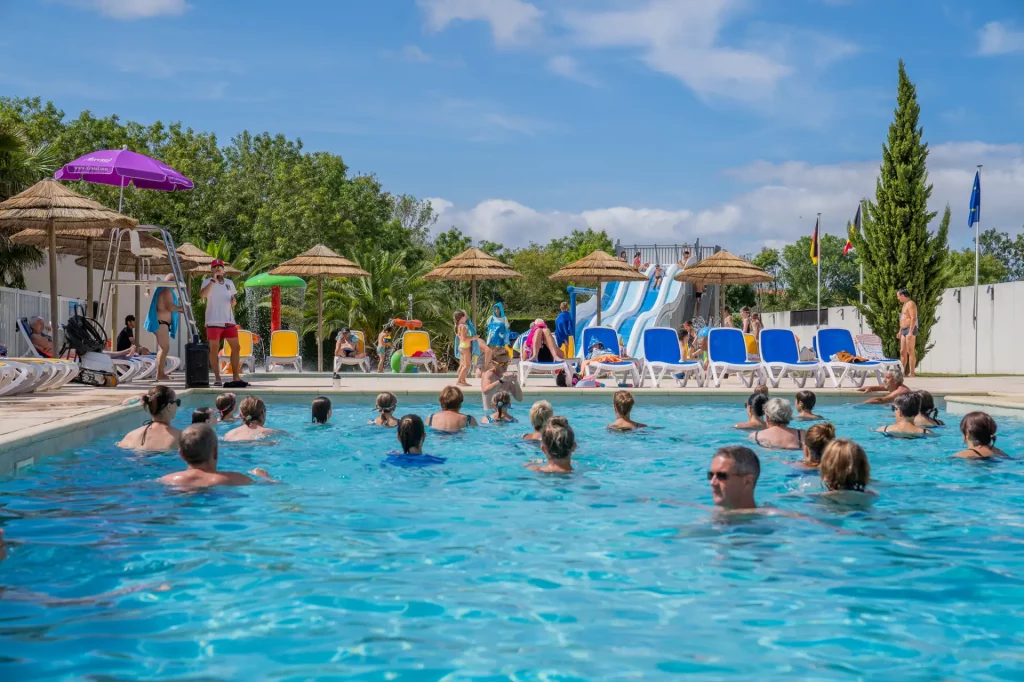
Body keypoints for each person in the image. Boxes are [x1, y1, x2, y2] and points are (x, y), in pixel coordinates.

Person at [158, 424, 273, 488]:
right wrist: (264, 477)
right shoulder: (234, 479)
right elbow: (271, 487)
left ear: (181, 455)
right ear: (215, 452)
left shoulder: (165, 480)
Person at [200, 259, 243, 387]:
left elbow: (233, 300)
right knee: (214, 349)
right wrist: (213, 280)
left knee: (236, 348)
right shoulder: (207, 281)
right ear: (211, 269)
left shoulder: (229, 283)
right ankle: (217, 378)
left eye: (220, 266)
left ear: (224, 269)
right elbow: (202, 295)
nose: (218, 268)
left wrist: (233, 302)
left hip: (229, 320)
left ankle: (236, 377)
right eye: (215, 267)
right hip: (213, 320)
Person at [118, 385, 181, 451]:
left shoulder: (130, 436)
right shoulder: (180, 438)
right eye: (177, 402)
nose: (177, 406)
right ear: (169, 406)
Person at [146, 274, 183, 380]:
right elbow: (170, 307)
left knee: (162, 348)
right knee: (164, 348)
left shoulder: (164, 289)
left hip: (162, 323)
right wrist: (181, 308)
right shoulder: (166, 290)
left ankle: (161, 373)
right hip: (161, 323)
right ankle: (160, 374)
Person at [708, 446, 760, 510]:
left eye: (721, 476)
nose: (712, 483)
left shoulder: (768, 515)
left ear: (748, 482)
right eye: (711, 475)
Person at [480, 347, 522, 411]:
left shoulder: (507, 377)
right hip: (490, 413)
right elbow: (486, 391)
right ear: (493, 363)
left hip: (504, 412)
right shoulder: (489, 375)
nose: (505, 366)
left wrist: (516, 382)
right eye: (501, 363)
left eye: (507, 363)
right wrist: (501, 380)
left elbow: (519, 398)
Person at [454, 310, 484, 387]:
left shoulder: (458, 326)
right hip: (465, 348)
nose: (466, 316)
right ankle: (459, 381)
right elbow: (464, 339)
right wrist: (474, 337)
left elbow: (460, 337)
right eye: (465, 315)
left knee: (463, 365)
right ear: (462, 317)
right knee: (466, 366)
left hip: (462, 347)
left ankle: (463, 381)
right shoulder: (463, 327)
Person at [897, 288, 918, 377]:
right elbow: (903, 318)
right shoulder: (904, 305)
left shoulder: (911, 304)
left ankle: (912, 373)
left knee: (910, 351)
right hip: (903, 329)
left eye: (898, 296)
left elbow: (913, 318)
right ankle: (902, 372)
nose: (898, 298)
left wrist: (910, 332)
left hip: (910, 329)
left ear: (902, 295)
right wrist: (900, 331)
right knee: (902, 352)